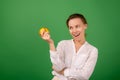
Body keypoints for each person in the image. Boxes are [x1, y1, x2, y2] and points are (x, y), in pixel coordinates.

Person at [41, 13, 98, 80]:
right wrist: (51, 43)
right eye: (71, 27)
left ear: (85, 26)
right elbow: (57, 67)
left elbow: (84, 75)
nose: (74, 31)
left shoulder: (92, 50)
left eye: (77, 26)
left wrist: (63, 71)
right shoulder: (63, 44)